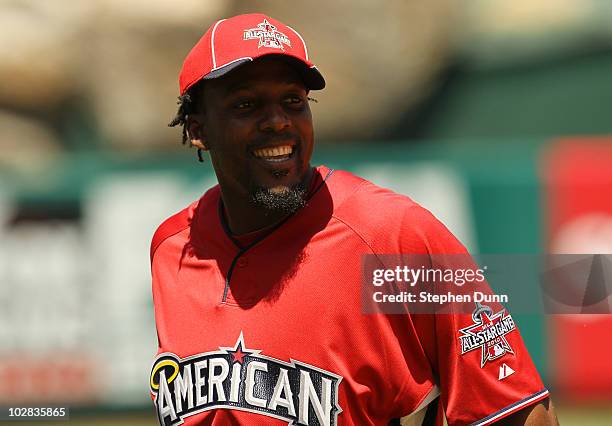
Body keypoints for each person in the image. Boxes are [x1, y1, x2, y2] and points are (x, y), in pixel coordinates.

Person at [149, 13, 558, 426]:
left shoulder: (390, 235)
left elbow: (520, 413)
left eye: (293, 100)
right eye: (246, 104)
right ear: (198, 128)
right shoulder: (171, 250)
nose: (277, 120)